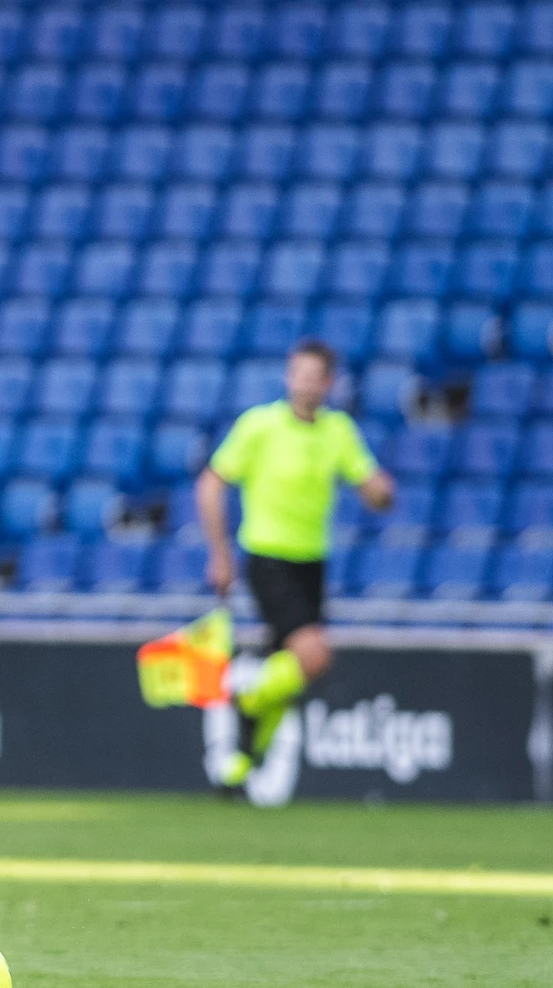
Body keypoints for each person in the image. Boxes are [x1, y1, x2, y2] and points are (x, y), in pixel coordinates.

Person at [197, 338, 396, 789]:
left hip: (313, 563)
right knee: (313, 655)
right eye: (297, 374)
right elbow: (211, 485)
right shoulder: (259, 427)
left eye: (314, 376)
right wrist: (220, 554)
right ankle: (246, 702)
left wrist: (382, 493)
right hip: (268, 557)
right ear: (288, 378)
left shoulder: (338, 430)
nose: (304, 383)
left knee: (289, 670)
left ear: (328, 383)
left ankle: (243, 763)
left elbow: (369, 483)